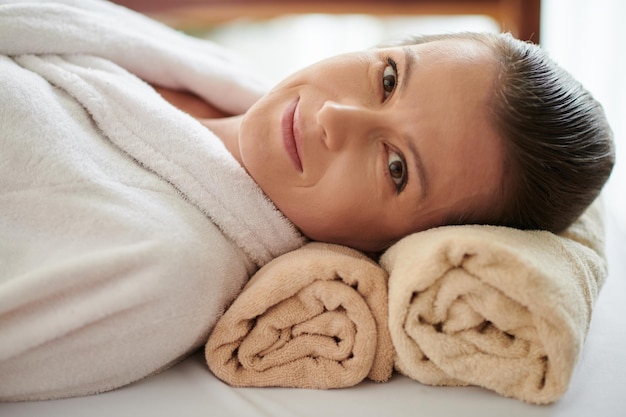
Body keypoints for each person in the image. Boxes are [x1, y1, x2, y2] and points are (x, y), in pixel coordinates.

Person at [0, 0, 614, 401]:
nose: (338, 117)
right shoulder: (213, 70)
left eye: (396, 167)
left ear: (394, 247)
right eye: (390, 78)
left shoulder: (164, 266)